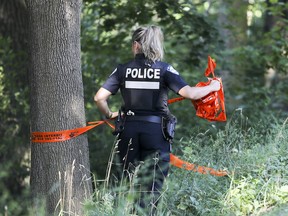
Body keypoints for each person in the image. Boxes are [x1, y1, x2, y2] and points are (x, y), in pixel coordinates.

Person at [94, 25, 220, 215]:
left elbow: (99, 98)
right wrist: (213, 86)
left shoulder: (123, 70)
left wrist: (108, 114)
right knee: (152, 187)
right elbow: (191, 93)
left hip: (127, 130)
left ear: (136, 45)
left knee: (125, 183)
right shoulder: (164, 69)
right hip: (156, 132)